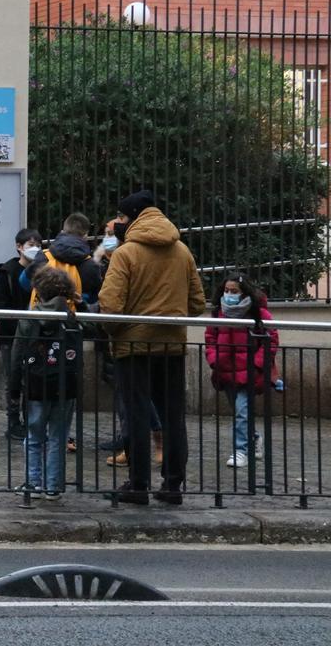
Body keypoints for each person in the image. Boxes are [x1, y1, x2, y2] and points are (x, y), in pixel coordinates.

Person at [98, 190, 206, 506]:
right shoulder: (182, 251)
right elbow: (198, 304)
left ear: (133, 216)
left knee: (136, 415)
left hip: (132, 346)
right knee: (173, 417)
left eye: (120, 217)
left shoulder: (126, 254)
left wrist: (114, 332)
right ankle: (173, 485)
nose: (118, 222)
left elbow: (111, 306)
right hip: (172, 345)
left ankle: (138, 484)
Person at [94, 216, 162, 468]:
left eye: (111, 233)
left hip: (127, 335)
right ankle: (131, 443)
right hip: (113, 337)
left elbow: (111, 301)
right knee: (126, 394)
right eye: (105, 233)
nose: (106, 238)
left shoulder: (127, 258)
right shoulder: (108, 262)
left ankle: (149, 441)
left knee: (134, 394)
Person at [12, 268, 82, 501]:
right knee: (58, 437)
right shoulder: (72, 318)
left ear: (38, 292)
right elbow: (94, 330)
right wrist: (79, 305)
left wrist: (13, 387)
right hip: (66, 385)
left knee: (33, 436)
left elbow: (16, 355)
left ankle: (33, 484)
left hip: (35, 385)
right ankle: (54, 486)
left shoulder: (29, 319)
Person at [205, 275, 279, 469]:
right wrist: (214, 359)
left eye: (234, 291)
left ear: (245, 292)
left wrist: (257, 364)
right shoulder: (218, 313)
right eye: (226, 291)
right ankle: (254, 438)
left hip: (249, 372)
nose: (229, 295)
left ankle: (240, 451)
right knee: (240, 411)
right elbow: (210, 338)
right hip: (225, 371)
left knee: (241, 412)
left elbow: (270, 339)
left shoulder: (259, 313)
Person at [0, 227, 41, 439]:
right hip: (11, 334)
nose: (35, 249)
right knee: (14, 377)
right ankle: (13, 422)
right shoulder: (7, 272)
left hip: (33, 334)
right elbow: (0, 304)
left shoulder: (42, 270)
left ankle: (31, 421)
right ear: (19, 247)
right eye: (30, 245)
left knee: (31, 377)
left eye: (38, 245)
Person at [22, 212, 103, 309]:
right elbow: (94, 298)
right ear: (85, 236)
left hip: (42, 316)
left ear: (62, 232)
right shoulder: (91, 265)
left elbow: (24, 282)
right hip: (73, 320)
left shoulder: (43, 256)